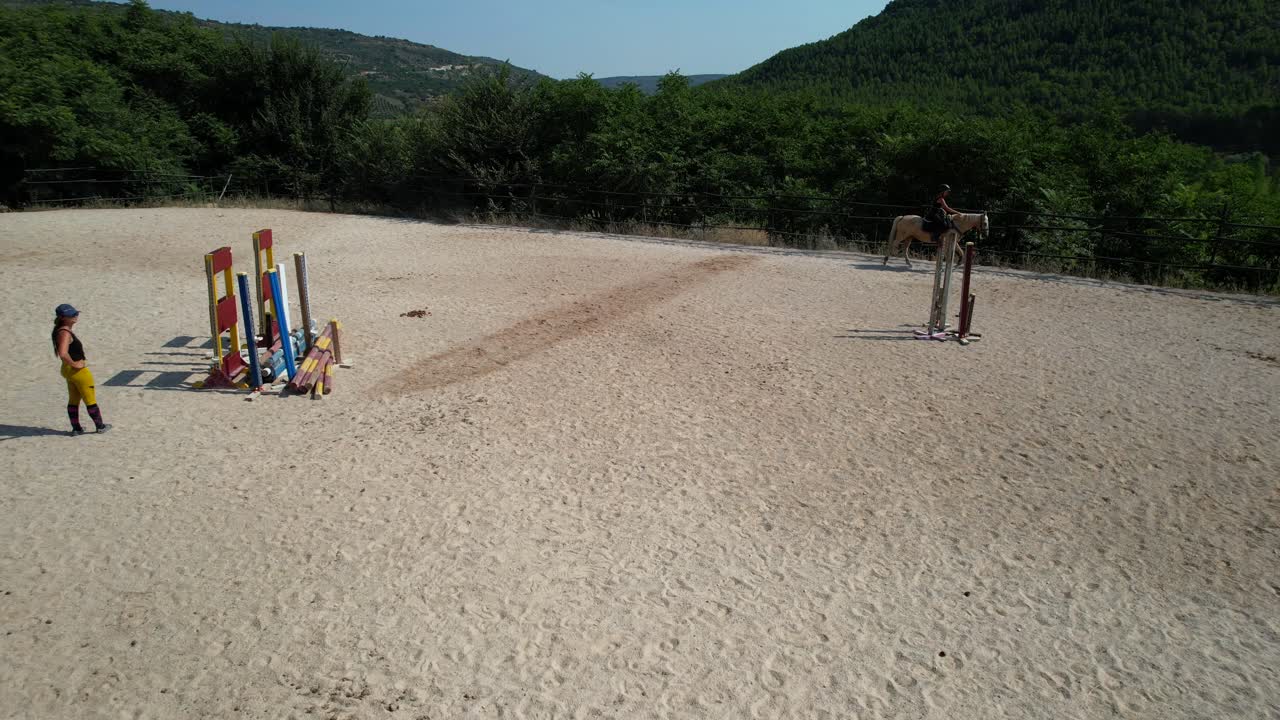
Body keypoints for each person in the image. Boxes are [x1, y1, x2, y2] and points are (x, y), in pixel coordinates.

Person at [52, 304, 110, 435]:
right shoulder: (65, 333)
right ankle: (100, 426)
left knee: (73, 399)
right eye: (72, 315)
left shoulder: (60, 330)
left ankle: (76, 428)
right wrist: (74, 364)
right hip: (78, 372)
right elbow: (63, 353)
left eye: (75, 313)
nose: (76, 316)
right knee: (90, 399)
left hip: (67, 370)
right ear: (64, 318)